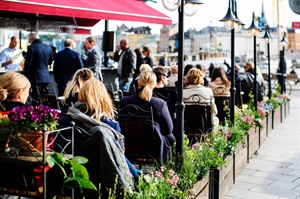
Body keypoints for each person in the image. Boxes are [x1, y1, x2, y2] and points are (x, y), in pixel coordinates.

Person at [60, 78, 135, 197]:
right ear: (104, 98)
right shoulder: (111, 125)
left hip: (67, 178)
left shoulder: (63, 122)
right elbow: (117, 155)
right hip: (100, 181)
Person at [119, 70, 176, 146]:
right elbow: (169, 129)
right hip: (153, 145)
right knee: (173, 139)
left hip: (129, 144)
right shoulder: (160, 104)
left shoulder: (124, 101)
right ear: (154, 83)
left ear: (138, 82)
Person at [24, 32, 53, 101]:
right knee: (45, 98)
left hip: (35, 76)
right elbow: (50, 62)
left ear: (31, 39)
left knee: (35, 98)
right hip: (45, 77)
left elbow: (28, 63)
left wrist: (26, 72)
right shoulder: (48, 47)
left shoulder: (31, 47)